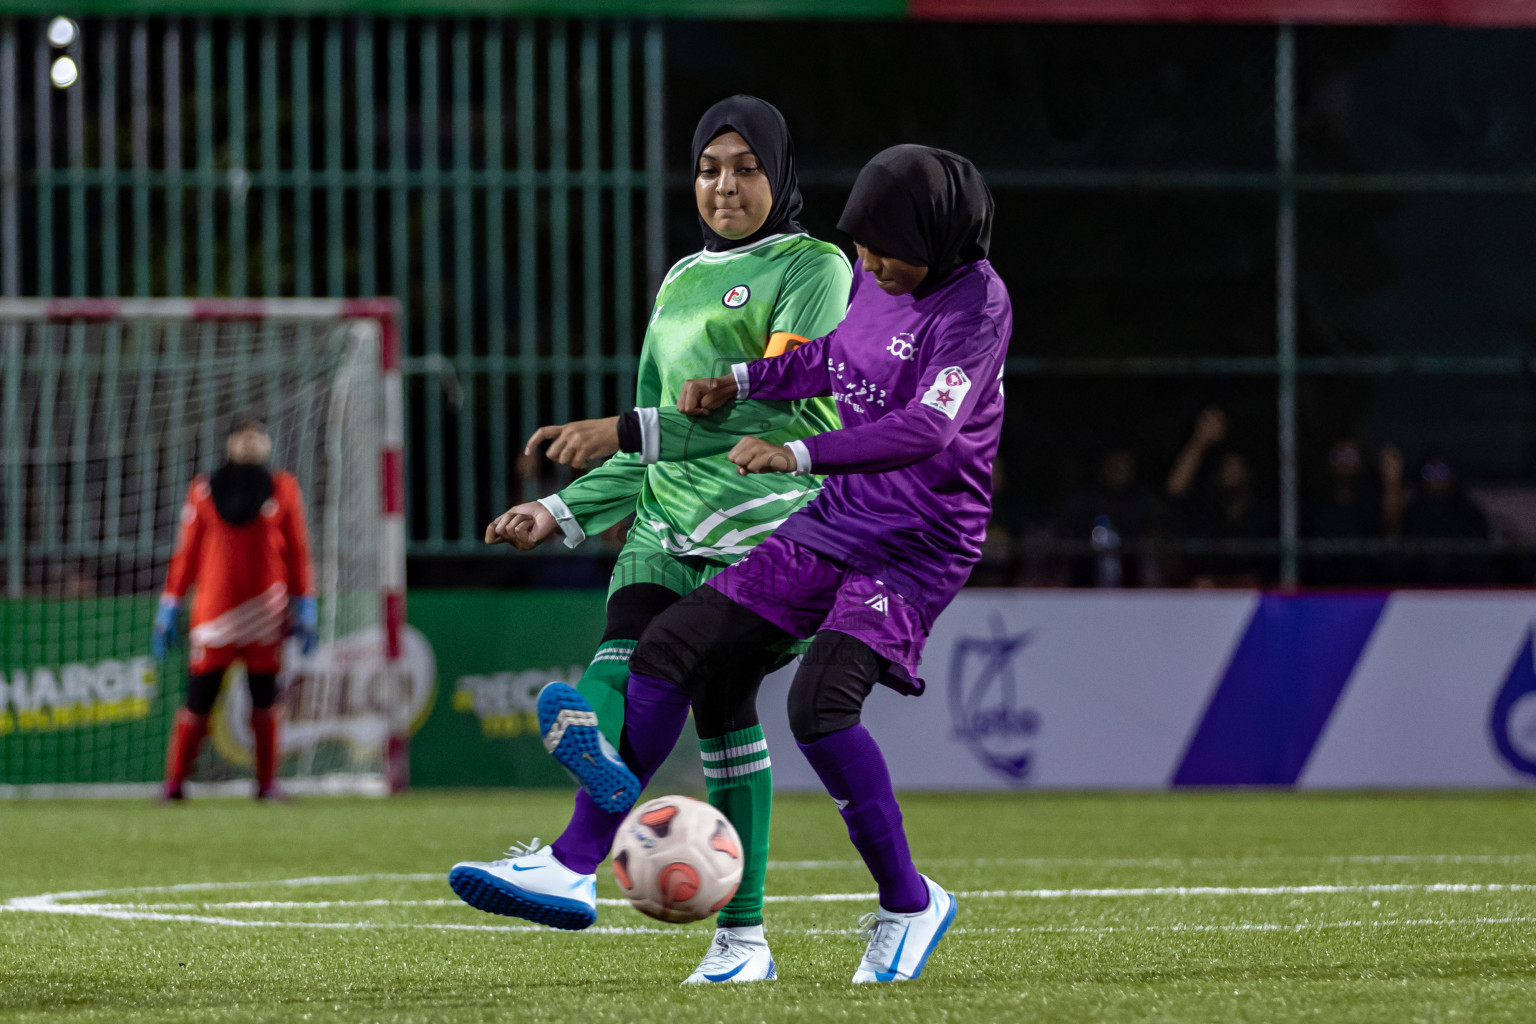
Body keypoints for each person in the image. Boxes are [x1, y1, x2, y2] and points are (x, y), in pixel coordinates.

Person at [559, 144, 1009, 983]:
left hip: (918, 542)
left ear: (938, 235)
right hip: (839, 517)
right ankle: (572, 859)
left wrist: (798, 453)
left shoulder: (976, 307)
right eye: (862, 247)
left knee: (819, 708)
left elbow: (928, 431)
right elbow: (833, 357)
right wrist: (742, 378)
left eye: (882, 250)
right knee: (671, 648)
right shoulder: (881, 276)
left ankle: (909, 903)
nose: (867, 265)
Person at [448, 96, 851, 985]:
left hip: (766, 531)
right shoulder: (678, 279)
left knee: (718, 711)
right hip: (665, 519)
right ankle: (613, 859)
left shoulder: (812, 265)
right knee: (632, 651)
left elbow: (783, 401)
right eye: (709, 167)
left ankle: (610, 874)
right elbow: (654, 425)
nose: (724, 184)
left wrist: (627, 431)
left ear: (779, 174)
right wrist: (557, 511)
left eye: (745, 166)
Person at [154, 417, 318, 801]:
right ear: (229, 444)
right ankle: (175, 783)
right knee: (198, 703)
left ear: (268, 444)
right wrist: (169, 602)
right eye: (243, 438)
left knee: (265, 702)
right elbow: (187, 553)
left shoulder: (284, 488)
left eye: (259, 437)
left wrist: (305, 602)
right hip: (214, 617)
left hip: (266, 614)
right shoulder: (203, 490)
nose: (251, 444)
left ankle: (266, 784)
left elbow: (297, 550)